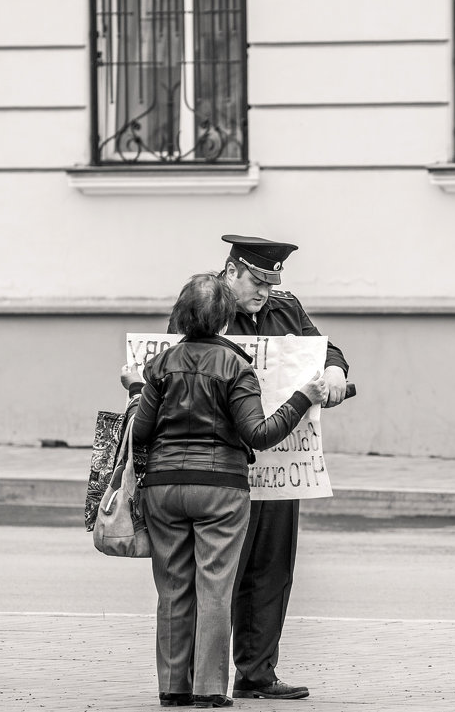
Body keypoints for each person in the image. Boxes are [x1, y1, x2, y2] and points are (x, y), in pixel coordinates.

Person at [123, 273, 328, 708]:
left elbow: (140, 432)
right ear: (222, 318)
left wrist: (136, 390)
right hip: (219, 491)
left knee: (173, 589)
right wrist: (301, 397)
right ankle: (210, 689)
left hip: (163, 490)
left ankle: (174, 688)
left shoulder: (159, 365)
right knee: (214, 588)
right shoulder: (236, 365)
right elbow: (259, 432)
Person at [169, 235, 349, 702]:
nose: (264, 293)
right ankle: (202, 679)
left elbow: (324, 348)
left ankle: (258, 672)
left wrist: (334, 369)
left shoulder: (286, 308)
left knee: (271, 570)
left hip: (280, 463)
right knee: (219, 575)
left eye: (271, 284)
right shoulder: (204, 309)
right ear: (232, 272)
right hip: (223, 466)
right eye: (256, 282)